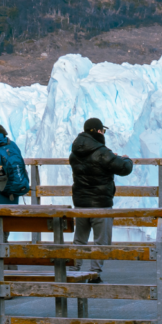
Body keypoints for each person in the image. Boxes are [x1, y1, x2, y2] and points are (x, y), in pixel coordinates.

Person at [69, 117, 134, 281]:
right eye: (102, 130)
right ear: (97, 131)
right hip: (101, 203)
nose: (103, 133)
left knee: (79, 240)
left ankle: (73, 270)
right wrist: (125, 159)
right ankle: (94, 274)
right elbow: (123, 168)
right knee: (101, 241)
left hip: (81, 203)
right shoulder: (102, 152)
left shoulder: (75, 152)